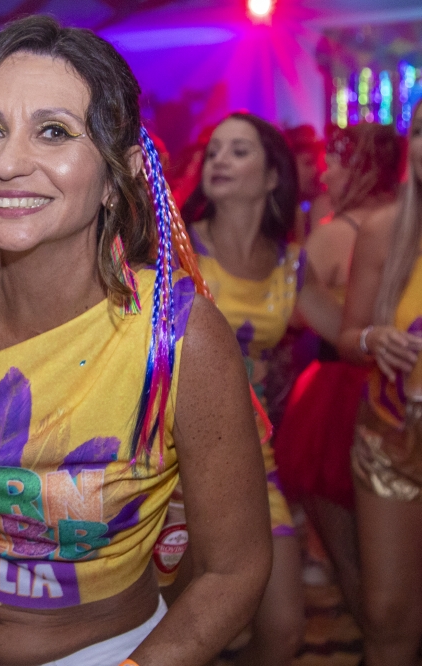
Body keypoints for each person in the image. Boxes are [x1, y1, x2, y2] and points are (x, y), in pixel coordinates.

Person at [0, 17, 272, 666]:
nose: (9, 163)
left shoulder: (177, 337)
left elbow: (234, 571)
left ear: (118, 175)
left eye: (53, 131)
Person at [178, 112, 342, 666]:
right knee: (180, 635)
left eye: (239, 150)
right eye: (214, 150)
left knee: (284, 631)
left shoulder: (290, 266)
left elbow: (348, 333)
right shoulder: (175, 249)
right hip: (171, 468)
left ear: (274, 176)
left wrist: (380, 331)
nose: (220, 160)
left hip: (253, 462)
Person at [275, 122, 406, 623]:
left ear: (359, 168)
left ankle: (375, 636)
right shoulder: (404, 227)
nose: (327, 174)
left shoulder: (334, 233)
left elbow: (290, 315)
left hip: (338, 394)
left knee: (350, 553)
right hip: (395, 390)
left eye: (334, 163)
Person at [336, 101, 422, 666]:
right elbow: (348, 336)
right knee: (388, 614)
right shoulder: (385, 229)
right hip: (390, 440)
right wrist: (374, 340)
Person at [284, 125, 331, 242]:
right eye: (308, 163)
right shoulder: (273, 210)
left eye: (321, 163)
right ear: (288, 166)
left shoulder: (322, 204)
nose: (317, 170)